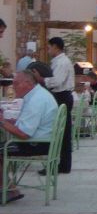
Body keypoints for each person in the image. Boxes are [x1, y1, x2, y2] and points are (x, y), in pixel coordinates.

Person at [0, 71, 58, 202]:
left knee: (2, 148)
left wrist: (2, 122)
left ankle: (9, 190)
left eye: (16, 83)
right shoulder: (38, 94)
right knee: (2, 146)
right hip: (44, 140)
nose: (13, 87)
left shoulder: (36, 101)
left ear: (28, 83)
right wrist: (7, 121)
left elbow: (24, 134)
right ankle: (9, 187)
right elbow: (25, 124)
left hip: (36, 143)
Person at [32, 37, 74, 174]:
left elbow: (57, 81)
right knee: (61, 131)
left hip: (62, 97)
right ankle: (61, 164)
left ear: (55, 47)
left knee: (61, 132)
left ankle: (61, 165)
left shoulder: (62, 62)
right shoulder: (58, 61)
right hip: (60, 96)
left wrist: (40, 79)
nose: (48, 50)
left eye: (49, 48)